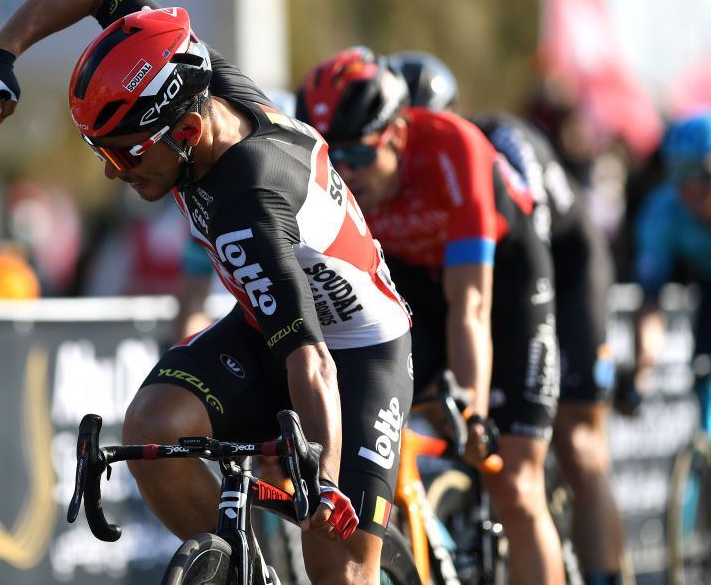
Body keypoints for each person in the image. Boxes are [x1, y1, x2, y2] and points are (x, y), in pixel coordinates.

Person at [0, 0, 414, 585]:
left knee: (333, 559)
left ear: (189, 132)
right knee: (152, 427)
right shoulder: (191, 75)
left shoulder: (244, 206)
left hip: (359, 353)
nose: (114, 173)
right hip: (269, 328)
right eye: (101, 151)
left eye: (122, 152)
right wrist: (0, 55)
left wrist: (324, 483)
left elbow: (314, 364)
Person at [296, 46, 565, 585]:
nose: (345, 174)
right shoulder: (333, 179)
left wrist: (474, 411)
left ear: (395, 133)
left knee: (514, 483)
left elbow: (471, 304)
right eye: (333, 159)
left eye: (359, 156)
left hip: (504, 276)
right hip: (417, 277)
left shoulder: (452, 147)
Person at [390, 50, 626, 584]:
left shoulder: (497, 148)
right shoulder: (394, 180)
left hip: (559, 274)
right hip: (471, 284)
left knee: (573, 444)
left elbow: (518, 277)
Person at [632, 113, 711, 425]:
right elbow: (651, 303)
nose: (690, 187)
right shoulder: (662, 214)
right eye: (679, 174)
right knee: (704, 371)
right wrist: (643, 371)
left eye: (701, 174)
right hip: (706, 282)